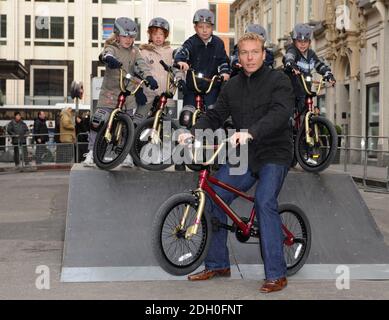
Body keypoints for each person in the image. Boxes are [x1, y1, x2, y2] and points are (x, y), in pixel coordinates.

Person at [178, 32, 295, 293]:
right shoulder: (232, 86)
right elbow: (216, 114)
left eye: (255, 52)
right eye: (244, 52)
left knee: (265, 202)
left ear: (264, 54)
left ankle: (277, 274)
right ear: (238, 57)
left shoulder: (279, 80)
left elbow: (280, 113)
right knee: (215, 197)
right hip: (246, 154)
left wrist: (252, 131)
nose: (250, 57)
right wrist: (193, 131)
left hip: (274, 152)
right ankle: (218, 263)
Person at [83, 17, 158, 167]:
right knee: (97, 122)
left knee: (127, 127)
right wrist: (109, 59)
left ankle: (126, 155)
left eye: (131, 37)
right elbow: (106, 54)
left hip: (128, 94)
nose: (128, 40)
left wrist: (149, 77)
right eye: (125, 36)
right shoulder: (112, 47)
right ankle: (91, 152)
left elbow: (141, 65)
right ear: (117, 35)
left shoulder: (134, 52)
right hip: (110, 94)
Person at [174, 8, 230, 128]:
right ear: (195, 28)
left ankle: (214, 141)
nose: (204, 30)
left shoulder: (218, 43)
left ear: (212, 28)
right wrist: (181, 61)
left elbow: (223, 60)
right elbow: (183, 51)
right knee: (186, 116)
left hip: (211, 86)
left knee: (214, 114)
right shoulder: (191, 42)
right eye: (200, 27)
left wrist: (225, 72)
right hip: (192, 86)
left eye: (208, 27)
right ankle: (187, 141)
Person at [137, 17, 186, 124]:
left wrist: (181, 80)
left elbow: (177, 69)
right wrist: (139, 91)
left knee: (167, 128)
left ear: (165, 36)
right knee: (137, 123)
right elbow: (138, 70)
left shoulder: (171, 52)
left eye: (161, 34)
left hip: (166, 97)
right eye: (155, 34)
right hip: (148, 95)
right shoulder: (144, 52)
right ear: (150, 35)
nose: (158, 37)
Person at [283, 23, 336, 114]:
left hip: (305, 87)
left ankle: (310, 125)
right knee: (291, 112)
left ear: (309, 42)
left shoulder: (311, 54)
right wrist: (291, 65)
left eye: (305, 41)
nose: (302, 44)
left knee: (309, 109)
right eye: (299, 41)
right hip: (292, 88)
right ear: (294, 41)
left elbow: (319, 65)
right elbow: (289, 57)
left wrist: (328, 74)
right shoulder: (292, 50)